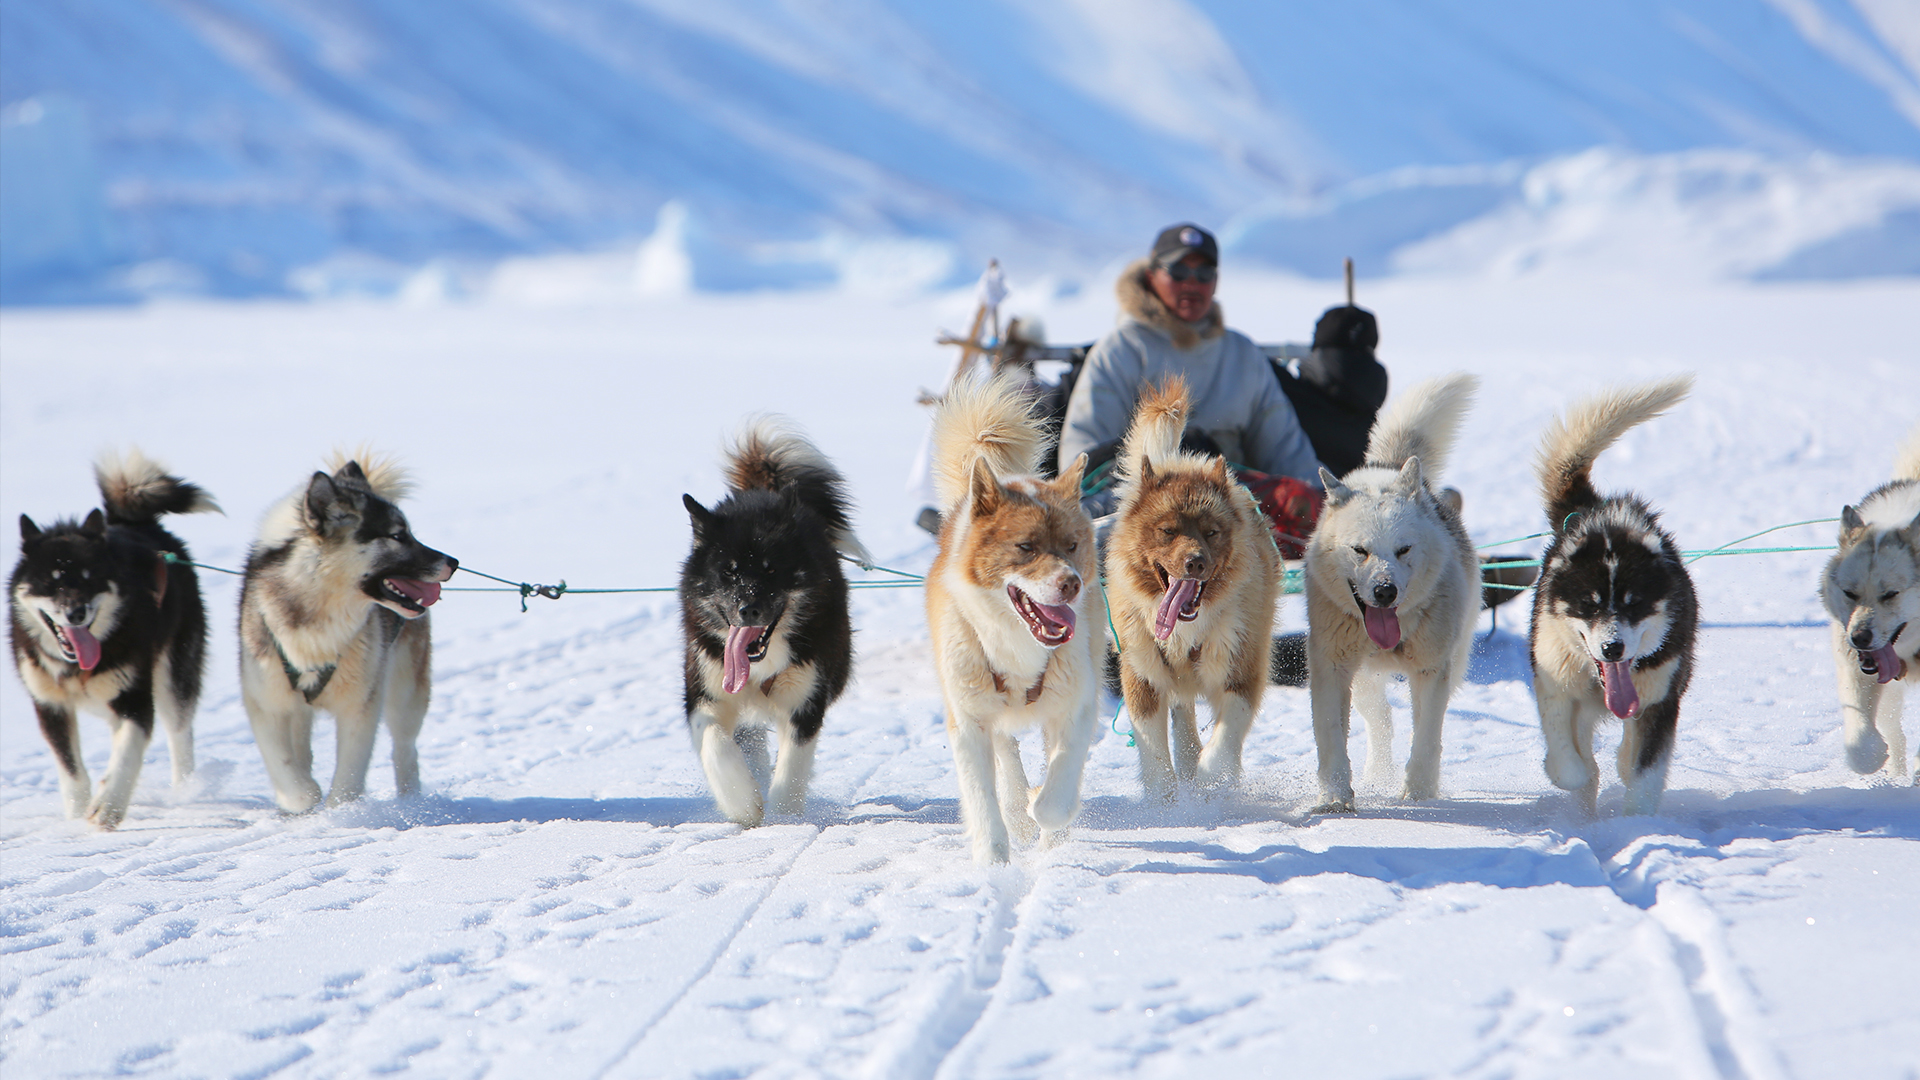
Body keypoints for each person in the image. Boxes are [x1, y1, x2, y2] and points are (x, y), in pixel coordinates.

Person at [1058, 224, 1325, 552]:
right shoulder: (1122, 350)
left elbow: (1286, 449)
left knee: (1301, 505)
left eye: (1204, 273)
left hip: (1228, 507)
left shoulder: (1242, 355)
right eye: (1179, 271)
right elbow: (1085, 457)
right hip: (1147, 510)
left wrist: (1320, 506)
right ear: (1152, 275)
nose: (1192, 283)